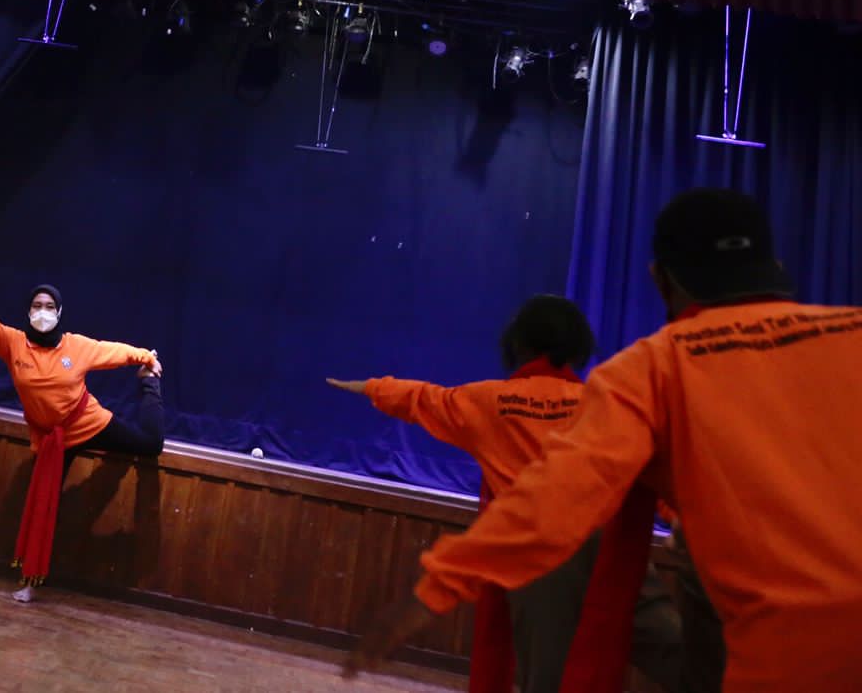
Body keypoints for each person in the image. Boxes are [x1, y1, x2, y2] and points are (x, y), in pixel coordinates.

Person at [348, 189, 862, 692]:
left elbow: (553, 497)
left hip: (772, 652)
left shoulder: (648, 371)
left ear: (661, 278)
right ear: (773, 263)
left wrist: (436, 588)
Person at [327, 295, 680, 692]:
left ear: (518, 344)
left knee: (547, 677)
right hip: (611, 548)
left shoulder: (488, 401)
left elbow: (422, 398)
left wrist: (371, 387)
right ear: (577, 347)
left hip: (537, 556)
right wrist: (677, 515)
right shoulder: (602, 401)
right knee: (677, 654)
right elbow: (646, 467)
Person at [0, 284, 163, 603]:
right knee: (43, 508)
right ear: (28, 311)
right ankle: (30, 581)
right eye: (37, 305)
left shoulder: (76, 346)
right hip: (53, 441)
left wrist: (146, 359)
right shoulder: (13, 343)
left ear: (59, 312)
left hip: (89, 423)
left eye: (49, 306)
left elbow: (113, 351)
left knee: (151, 444)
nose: (43, 311)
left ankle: (150, 386)